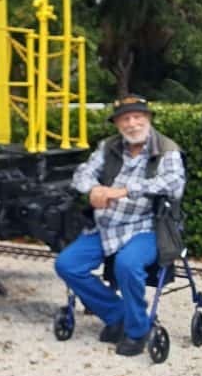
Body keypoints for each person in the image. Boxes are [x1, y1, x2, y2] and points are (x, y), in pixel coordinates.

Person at [54, 95, 186, 356]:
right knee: (67, 265)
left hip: (148, 226)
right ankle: (118, 315)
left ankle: (138, 331)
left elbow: (173, 185)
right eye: (125, 119)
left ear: (147, 119)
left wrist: (123, 190)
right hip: (106, 225)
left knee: (128, 264)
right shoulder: (109, 146)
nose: (132, 123)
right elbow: (83, 173)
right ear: (118, 124)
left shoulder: (167, 149)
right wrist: (92, 190)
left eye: (138, 117)